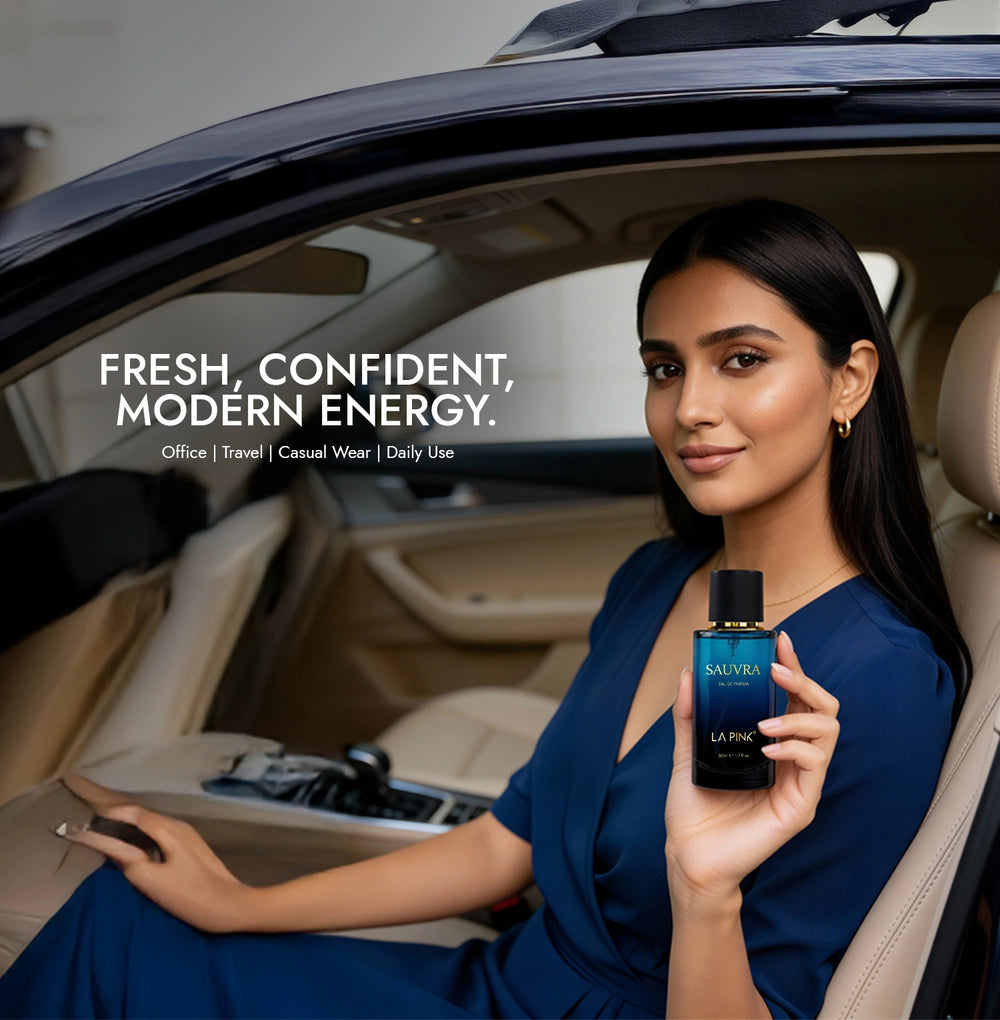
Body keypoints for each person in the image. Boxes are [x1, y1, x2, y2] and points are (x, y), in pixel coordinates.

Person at [0, 199, 971, 1019]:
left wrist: (706, 889)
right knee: (121, 924)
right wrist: (240, 902)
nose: (688, 410)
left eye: (742, 360)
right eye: (665, 367)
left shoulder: (877, 677)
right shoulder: (655, 578)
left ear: (848, 379)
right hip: (505, 986)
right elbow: (505, 839)